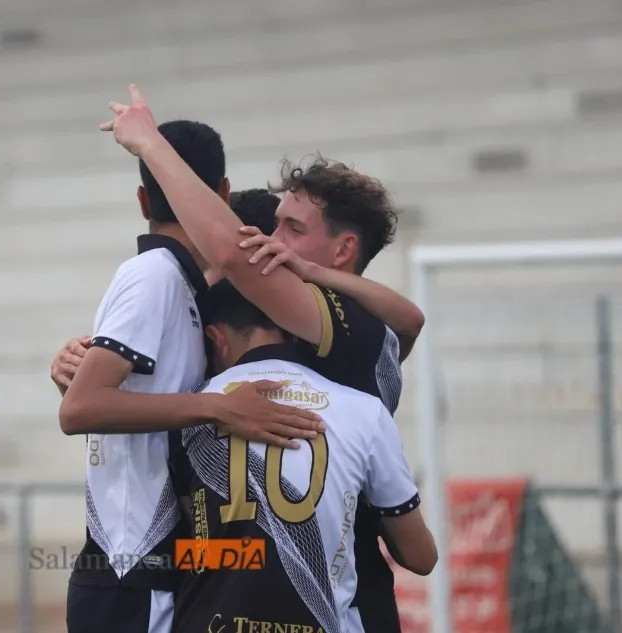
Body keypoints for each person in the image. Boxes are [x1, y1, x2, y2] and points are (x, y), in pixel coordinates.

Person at [98, 85, 426, 633]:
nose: (271, 239)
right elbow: (412, 320)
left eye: (291, 228)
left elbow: (231, 252)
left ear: (343, 251)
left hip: (340, 603)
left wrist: (150, 144)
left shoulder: (345, 324)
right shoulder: (316, 330)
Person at [57, 120, 324, 633]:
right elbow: (80, 410)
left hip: (163, 570)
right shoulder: (152, 274)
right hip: (129, 577)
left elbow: (112, 396)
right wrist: (220, 407)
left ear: (142, 200)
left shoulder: (184, 286)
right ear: (221, 194)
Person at [170, 280, 437, 633]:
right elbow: (420, 557)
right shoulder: (364, 410)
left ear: (216, 338)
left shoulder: (188, 410)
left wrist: (246, 554)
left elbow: (187, 543)